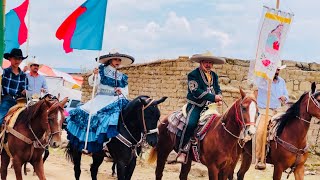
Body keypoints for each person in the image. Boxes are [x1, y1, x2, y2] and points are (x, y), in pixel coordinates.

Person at [66, 52, 134, 152]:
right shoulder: (101, 71)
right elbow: (93, 83)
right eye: (116, 59)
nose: (118, 62)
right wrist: (95, 75)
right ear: (110, 60)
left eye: (119, 60)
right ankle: (94, 142)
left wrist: (120, 91)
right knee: (91, 114)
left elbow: (125, 90)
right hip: (102, 98)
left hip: (115, 99)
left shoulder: (122, 76)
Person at [176, 52, 224, 163]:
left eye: (210, 62)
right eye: (206, 62)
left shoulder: (214, 75)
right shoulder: (193, 75)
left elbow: (218, 88)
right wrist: (214, 97)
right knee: (191, 123)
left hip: (211, 106)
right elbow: (195, 92)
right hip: (196, 105)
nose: (208, 64)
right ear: (201, 63)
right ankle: (182, 151)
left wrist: (219, 95)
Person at [255, 61, 289, 170]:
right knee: (261, 131)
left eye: (278, 70)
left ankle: (286, 157)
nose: (277, 72)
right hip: (265, 110)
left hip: (278, 109)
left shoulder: (282, 82)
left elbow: (286, 96)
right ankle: (260, 158)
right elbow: (254, 86)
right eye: (275, 69)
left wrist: (285, 98)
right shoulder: (262, 80)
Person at [0, 48, 28, 124]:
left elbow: (26, 89)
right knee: (0, 119)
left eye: (19, 59)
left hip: (20, 102)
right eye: (15, 58)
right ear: (10, 59)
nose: (17, 61)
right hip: (7, 100)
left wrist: (25, 91)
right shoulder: (4, 72)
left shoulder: (24, 75)